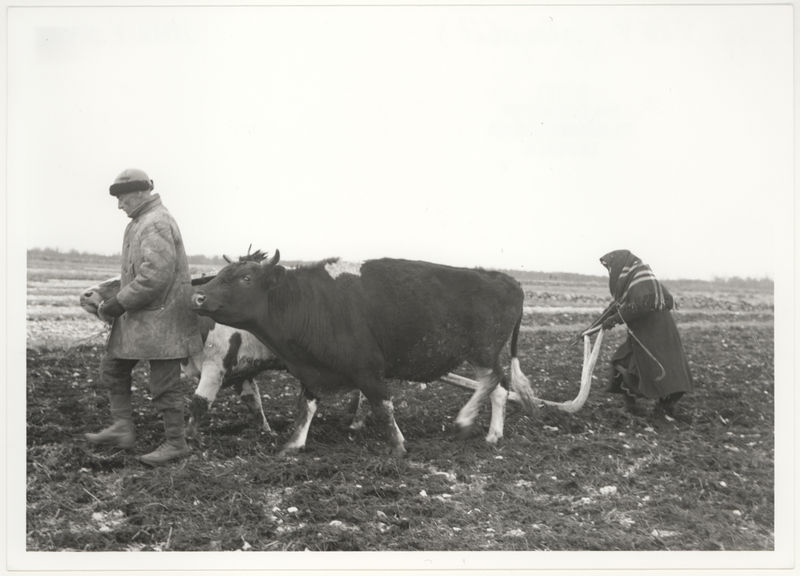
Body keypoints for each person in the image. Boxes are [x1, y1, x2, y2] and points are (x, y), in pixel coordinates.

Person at [85, 168, 202, 465]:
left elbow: (154, 277)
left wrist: (117, 303)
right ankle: (123, 428)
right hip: (142, 319)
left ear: (138, 193)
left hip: (163, 321)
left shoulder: (155, 223)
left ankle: (176, 443)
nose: (119, 204)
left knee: (164, 385)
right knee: (113, 368)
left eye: (122, 197)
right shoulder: (142, 221)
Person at [598, 249, 693, 422]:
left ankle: (663, 407)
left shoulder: (641, 279)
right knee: (623, 363)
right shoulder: (633, 281)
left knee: (664, 370)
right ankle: (634, 406)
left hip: (656, 333)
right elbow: (617, 305)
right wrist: (596, 325)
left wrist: (615, 319)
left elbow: (640, 305)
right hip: (644, 334)